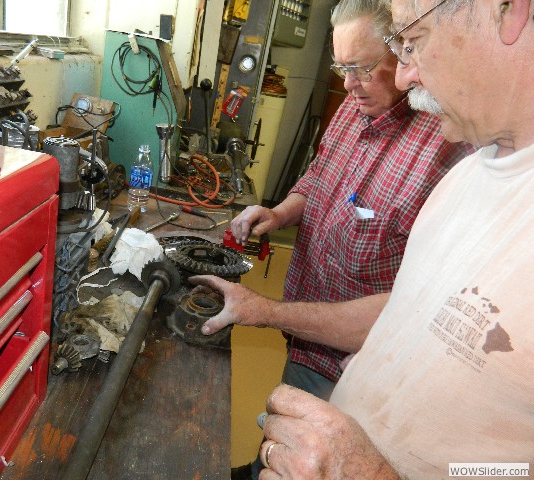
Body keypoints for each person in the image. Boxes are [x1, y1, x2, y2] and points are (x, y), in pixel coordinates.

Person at [194, 0, 534, 477]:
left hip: (341, 380)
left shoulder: (451, 148)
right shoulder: (476, 172)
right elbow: (405, 310)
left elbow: (506, 469)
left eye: (412, 41)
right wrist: (279, 219)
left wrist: (372, 472)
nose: (403, 77)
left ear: (508, 11)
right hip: (316, 338)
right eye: (342, 68)